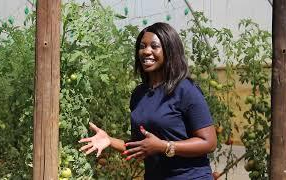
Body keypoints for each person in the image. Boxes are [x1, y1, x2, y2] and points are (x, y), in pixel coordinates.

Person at [79, 22, 217, 179]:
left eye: (154, 46)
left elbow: (209, 143)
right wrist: (109, 140)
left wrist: (164, 146)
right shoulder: (139, 94)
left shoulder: (185, 89)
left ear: (169, 50)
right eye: (142, 46)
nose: (146, 51)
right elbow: (141, 146)